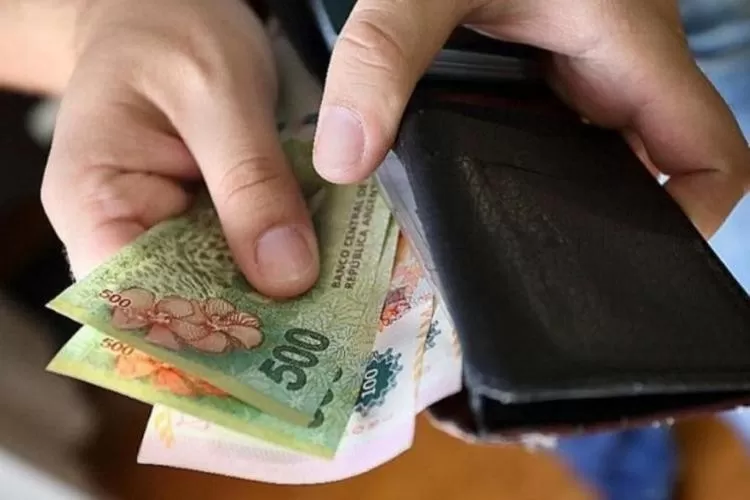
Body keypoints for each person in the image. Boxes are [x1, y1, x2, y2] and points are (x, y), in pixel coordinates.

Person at [1, 1, 748, 498]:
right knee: (535, 355)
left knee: (680, 285)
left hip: (607, 44)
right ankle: (607, 447)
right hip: (309, 85)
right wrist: (100, 20)